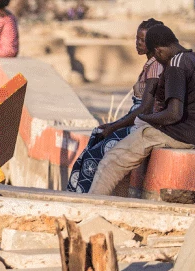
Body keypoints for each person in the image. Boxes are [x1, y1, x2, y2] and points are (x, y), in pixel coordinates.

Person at [88, 25, 195, 196]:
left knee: (110, 162)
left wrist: (147, 118)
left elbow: (173, 114)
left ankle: (91, 208)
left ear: (158, 50)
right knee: (124, 168)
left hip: (175, 134)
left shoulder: (176, 64)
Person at [66, 19, 165, 193]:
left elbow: (144, 108)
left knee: (93, 156)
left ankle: (84, 199)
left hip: (142, 125)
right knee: (94, 141)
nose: (137, 43)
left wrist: (114, 126)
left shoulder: (156, 67)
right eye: (137, 39)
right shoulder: (150, 65)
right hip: (136, 120)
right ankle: (77, 194)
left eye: (142, 40)